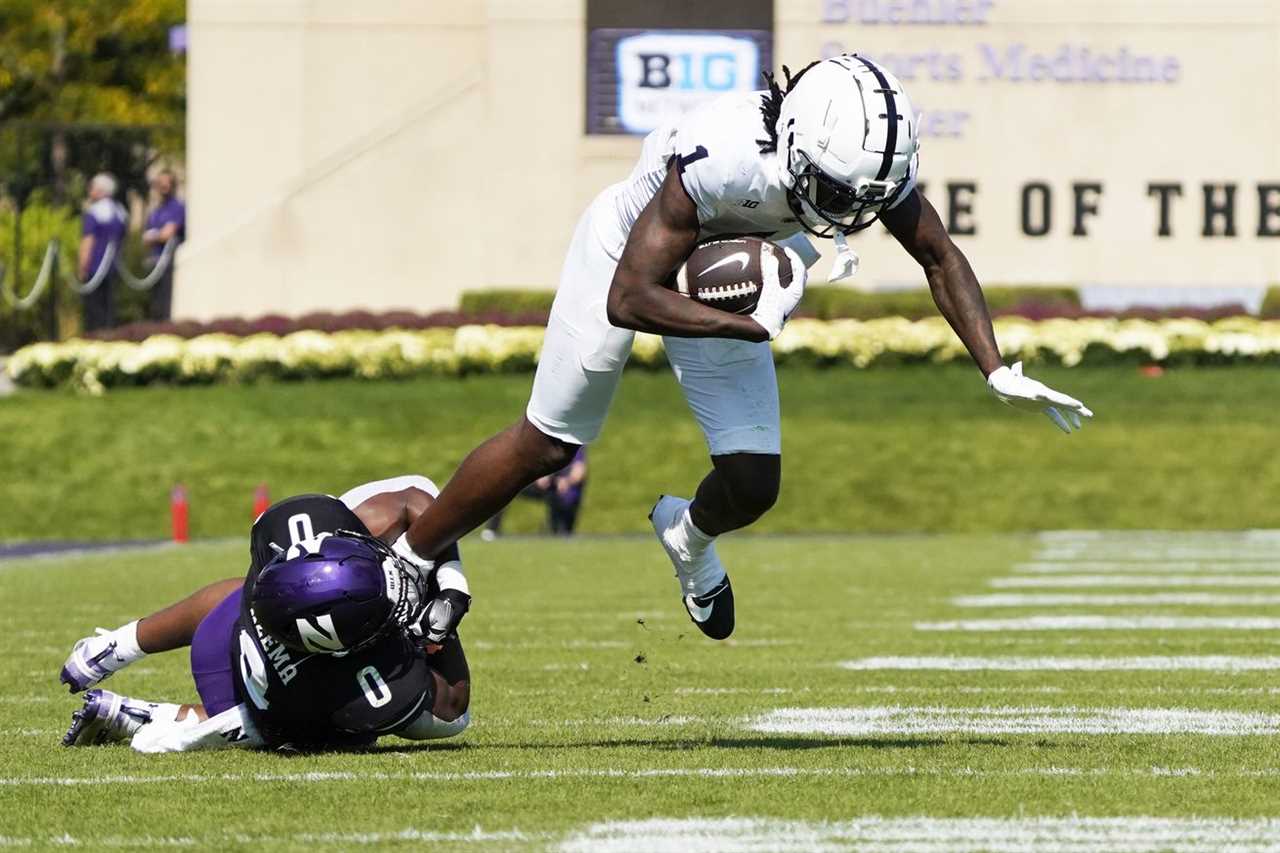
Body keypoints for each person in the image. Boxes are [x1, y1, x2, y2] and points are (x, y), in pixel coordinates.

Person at [400, 54, 1093, 642]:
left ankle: (687, 536)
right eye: (834, 192)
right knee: (549, 443)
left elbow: (938, 255)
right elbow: (629, 296)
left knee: (754, 484)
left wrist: (995, 367)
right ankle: (407, 556)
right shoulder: (723, 158)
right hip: (628, 255)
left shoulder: (857, 157)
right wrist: (746, 324)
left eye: (861, 198)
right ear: (794, 144)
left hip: (728, 263)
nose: (848, 213)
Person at [59, 475, 472, 752]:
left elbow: (419, 494)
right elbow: (455, 710)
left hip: (222, 634)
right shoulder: (370, 691)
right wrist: (443, 595)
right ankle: (163, 718)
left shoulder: (302, 528)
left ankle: (114, 647)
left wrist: (448, 585)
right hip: (278, 706)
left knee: (246, 591)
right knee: (341, 735)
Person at [483, 446, 588, 538]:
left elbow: (579, 471)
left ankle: (558, 533)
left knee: (559, 506)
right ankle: (491, 530)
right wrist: (542, 474)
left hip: (564, 492)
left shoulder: (576, 447)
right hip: (547, 486)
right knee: (506, 489)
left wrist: (567, 481)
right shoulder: (550, 442)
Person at [78, 173, 127, 332]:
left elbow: (88, 241)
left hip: (95, 267)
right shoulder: (120, 212)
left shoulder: (93, 212)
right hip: (115, 267)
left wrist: (82, 266)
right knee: (110, 308)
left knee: (94, 310)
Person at [141, 169, 186, 321]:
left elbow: (168, 234)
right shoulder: (156, 211)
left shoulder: (177, 207)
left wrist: (155, 236)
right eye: (160, 183)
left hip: (168, 262)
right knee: (154, 304)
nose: (163, 186)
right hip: (154, 261)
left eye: (167, 183)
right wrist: (156, 236)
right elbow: (146, 238)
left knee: (165, 301)